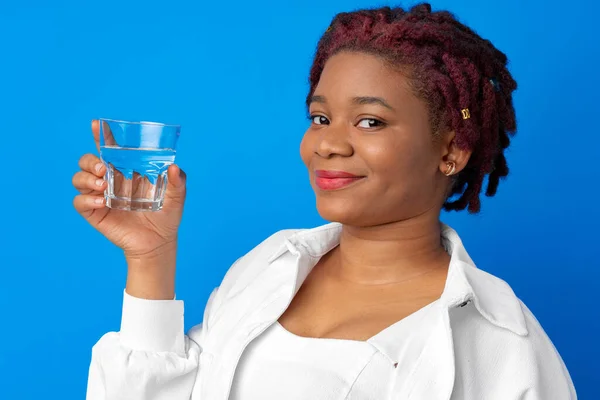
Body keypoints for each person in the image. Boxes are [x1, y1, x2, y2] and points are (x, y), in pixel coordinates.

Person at [73, 3, 577, 399]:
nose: (329, 144)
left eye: (370, 121)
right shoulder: (269, 268)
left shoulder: (501, 343)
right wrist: (150, 260)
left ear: (450, 151)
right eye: (320, 117)